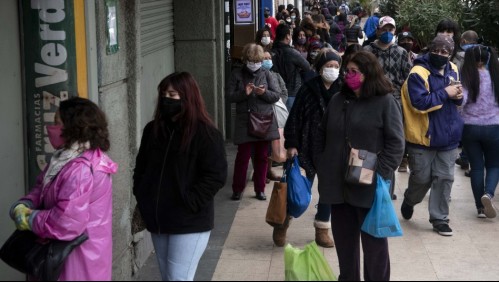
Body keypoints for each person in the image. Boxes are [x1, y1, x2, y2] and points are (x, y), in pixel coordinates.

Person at [313, 51, 404, 281]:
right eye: (347, 71)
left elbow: (396, 143)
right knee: (345, 247)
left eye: (354, 72)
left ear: (369, 74)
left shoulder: (385, 102)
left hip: (369, 187)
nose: (348, 76)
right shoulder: (337, 100)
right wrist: (322, 163)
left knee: (374, 248)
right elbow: (321, 134)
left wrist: (378, 173)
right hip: (337, 185)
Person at [9, 97, 117, 280]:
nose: (51, 128)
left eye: (57, 123)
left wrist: (31, 218)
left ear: (74, 127)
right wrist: (25, 203)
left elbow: (66, 222)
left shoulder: (81, 169)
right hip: (69, 256)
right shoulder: (64, 158)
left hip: (77, 262)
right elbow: (42, 187)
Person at [133, 72, 228, 281]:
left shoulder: (206, 134)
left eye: (173, 94)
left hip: (189, 222)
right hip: (159, 220)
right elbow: (141, 169)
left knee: (178, 278)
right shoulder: (153, 130)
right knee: (169, 277)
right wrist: (143, 195)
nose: (167, 99)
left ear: (187, 96)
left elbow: (216, 175)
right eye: (164, 93)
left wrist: (190, 202)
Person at [278, 48, 343, 249]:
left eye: (335, 66)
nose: (332, 70)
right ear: (320, 68)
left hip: (332, 149)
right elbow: (295, 118)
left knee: (329, 192)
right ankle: (283, 221)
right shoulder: (308, 89)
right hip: (307, 147)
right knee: (298, 188)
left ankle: (322, 228)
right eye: (328, 66)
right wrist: (292, 144)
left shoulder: (343, 90)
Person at [400, 35, 464, 236]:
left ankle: (440, 218)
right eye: (436, 50)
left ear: (450, 53)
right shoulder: (418, 73)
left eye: (445, 52)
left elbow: (457, 96)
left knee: (445, 178)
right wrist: (446, 93)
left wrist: (459, 97)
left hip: (448, 137)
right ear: (430, 50)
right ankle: (410, 199)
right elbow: (419, 103)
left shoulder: (453, 68)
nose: (440, 54)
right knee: (422, 179)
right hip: (423, 137)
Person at [227, 43, 280, 201]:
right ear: (245, 59)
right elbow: (229, 96)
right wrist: (245, 93)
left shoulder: (268, 74)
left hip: (263, 120)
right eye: (251, 60)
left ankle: (260, 189)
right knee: (242, 156)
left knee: (262, 157)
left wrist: (263, 93)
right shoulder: (236, 74)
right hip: (245, 119)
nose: (254, 63)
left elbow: (276, 95)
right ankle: (237, 189)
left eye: (257, 60)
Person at [364, 16, 412, 177]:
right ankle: (366, 179)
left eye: (390, 29)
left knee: (391, 142)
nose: (387, 32)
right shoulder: (367, 52)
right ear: (378, 30)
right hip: (371, 102)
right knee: (371, 142)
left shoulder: (401, 52)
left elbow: (408, 79)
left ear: (395, 31)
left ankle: (386, 183)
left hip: (395, 103)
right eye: (384, 29)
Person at [460, 45, 499, 218]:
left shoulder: (467, 77)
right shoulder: (495, 77)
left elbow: (461, 102)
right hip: (494, 127)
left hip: (470, 128)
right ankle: (488, 194)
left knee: (476, 167)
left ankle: (480, 208)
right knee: (494, 165)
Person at [272, 24, 312, 111]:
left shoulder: (271, 52)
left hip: (274, 92)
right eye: (290, 34)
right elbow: (307, 67)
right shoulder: (291, 52)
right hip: (291, 92)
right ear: (287, 36)